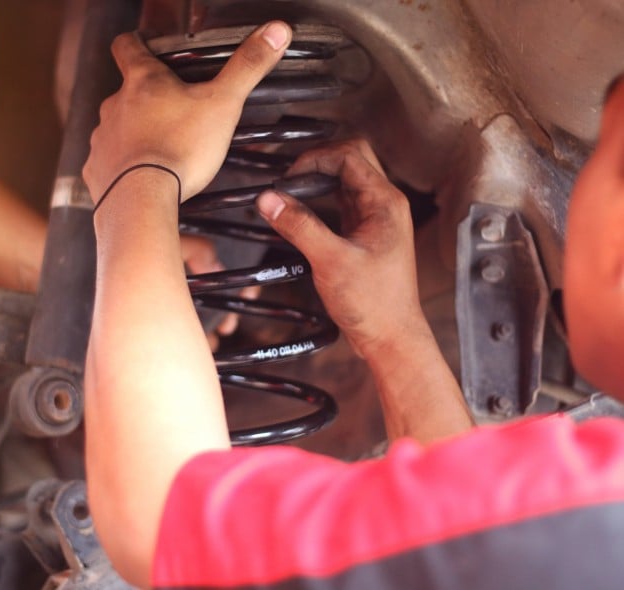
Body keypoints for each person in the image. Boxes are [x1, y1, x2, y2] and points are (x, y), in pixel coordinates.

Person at [82, 20, 624, 590]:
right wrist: (394, 331)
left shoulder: (594, 521)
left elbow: (163, 520)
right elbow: (469, 544)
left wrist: (139, 172)